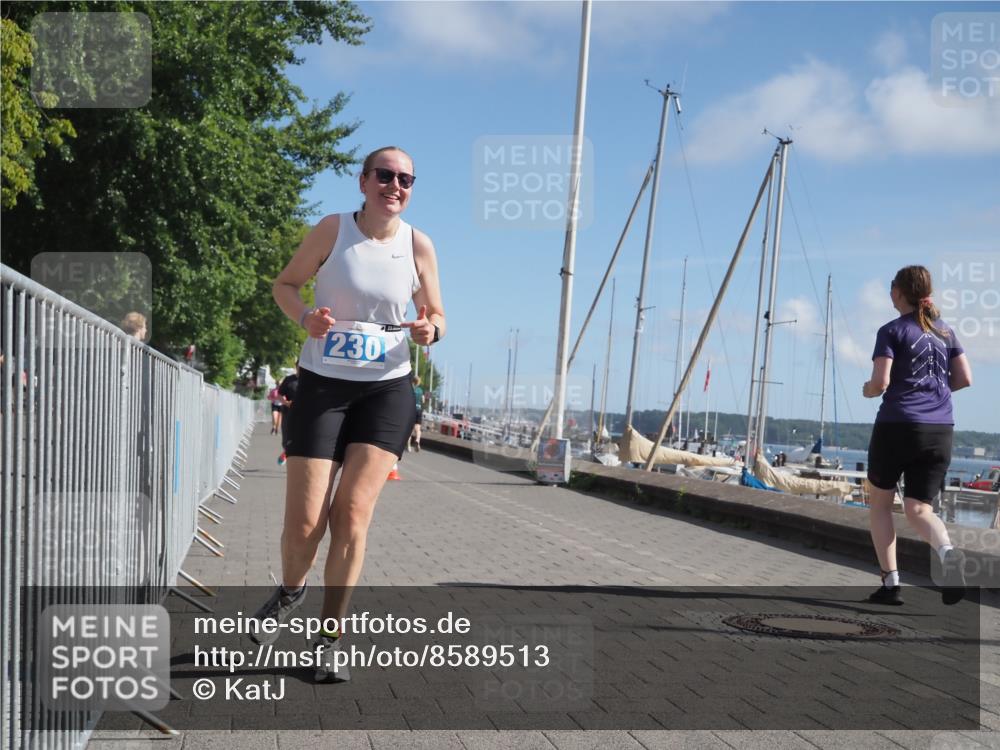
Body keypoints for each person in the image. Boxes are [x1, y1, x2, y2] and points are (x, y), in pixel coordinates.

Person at [253, 146, 445, 682]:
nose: (395, 185)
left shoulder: (419, 245)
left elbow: (438, 315)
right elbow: (284, 286)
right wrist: (305, 318)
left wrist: (431, 330)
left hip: (386, 391)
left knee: (353, 514)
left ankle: (329, 638)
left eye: (406, 179)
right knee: (304, 526)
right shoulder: (332, 230)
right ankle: (291, 590)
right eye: (384, 175)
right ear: (363, 182)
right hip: (322, 387)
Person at [863, 265, 972, 606]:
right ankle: (948, 555)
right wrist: (933, 390)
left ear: (898, 292)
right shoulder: (945, 331)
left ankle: (890, 583)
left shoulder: (891, 331)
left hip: (898, 425)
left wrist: (868, 390)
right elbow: (964, 378)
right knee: (919, 509)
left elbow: (880, 383)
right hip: (940, 430)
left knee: (881, 504)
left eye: (891, 288)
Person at [276, 363, 299, 465]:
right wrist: (286, 402)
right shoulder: (289, 380)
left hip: (303, 414)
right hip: (288, 413)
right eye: (299, 367)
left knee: (299, 437)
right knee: (286, 437)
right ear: (296, 367)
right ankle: (286, 451)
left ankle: (291, 456)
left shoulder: (309, 380)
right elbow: (279, 395)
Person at [408, 375, 425, 452]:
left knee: (409, 429)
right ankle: (417, 440)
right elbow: (423, 400)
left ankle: (408, 446)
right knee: (418, 429)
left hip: (412, 410)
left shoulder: (411, 389)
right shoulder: (420, 390)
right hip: (419, 410)